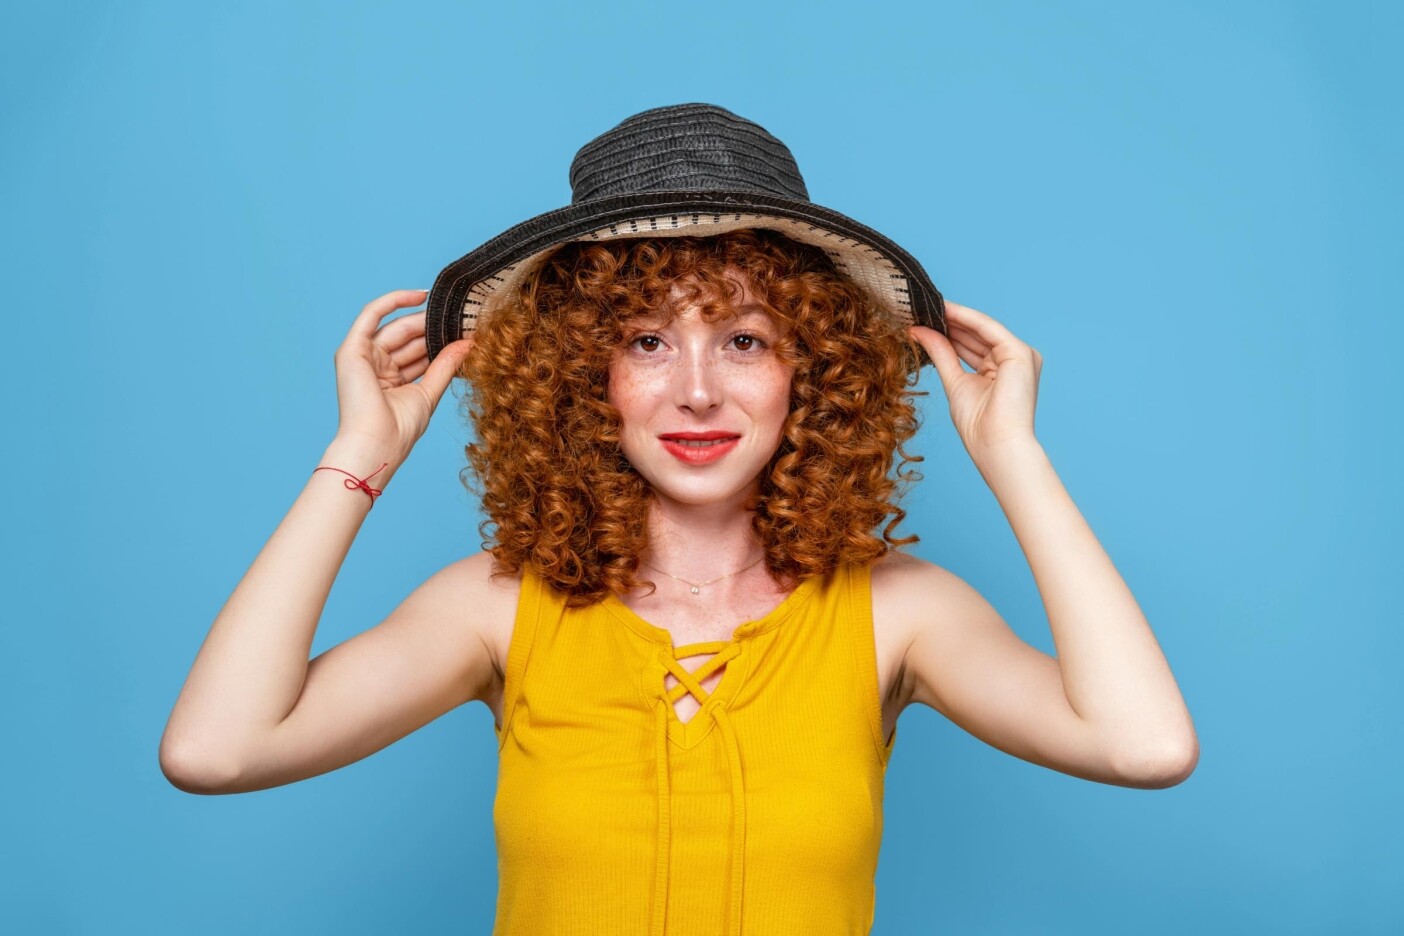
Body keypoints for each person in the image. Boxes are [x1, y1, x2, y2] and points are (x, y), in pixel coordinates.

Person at [160, 104, 1197, 935]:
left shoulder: (901, 613)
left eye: (744, 340)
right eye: (648, 341)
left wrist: (1013, 462)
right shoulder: (496, 606)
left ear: (812, 371)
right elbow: (217, 751)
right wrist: (359, 458)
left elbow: (1144, 746)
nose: (697, 391)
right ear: (584, 376)